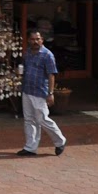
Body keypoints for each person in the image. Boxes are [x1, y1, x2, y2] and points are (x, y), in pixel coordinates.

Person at [18, 29, 66, 157]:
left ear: (42, 40)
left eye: (37, 39)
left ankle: (60, 141)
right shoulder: (27, 53)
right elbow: (23, 69)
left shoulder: (47, 55)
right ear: (29, 40)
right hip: (27, 90)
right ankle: (30, 147)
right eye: (33, 39)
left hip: (40, 92)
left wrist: (51, 93)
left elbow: (51, 75)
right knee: (29, 119)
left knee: (42, 119)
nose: (35, 42)